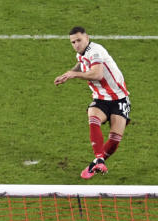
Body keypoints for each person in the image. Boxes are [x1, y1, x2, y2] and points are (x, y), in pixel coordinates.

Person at [53, 26, 131, 180]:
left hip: (119, 98)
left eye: (79, 40)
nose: (76, 44)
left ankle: (95, 162)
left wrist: (74, 75)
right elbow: (81, 63)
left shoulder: (95, 51)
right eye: (73, 42)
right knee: (93, 118)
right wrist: (67, 74)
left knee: (115, 140)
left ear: (87, 37)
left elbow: (97, 73)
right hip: (101, 98)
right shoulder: (82, 53)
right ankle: (99, 159)